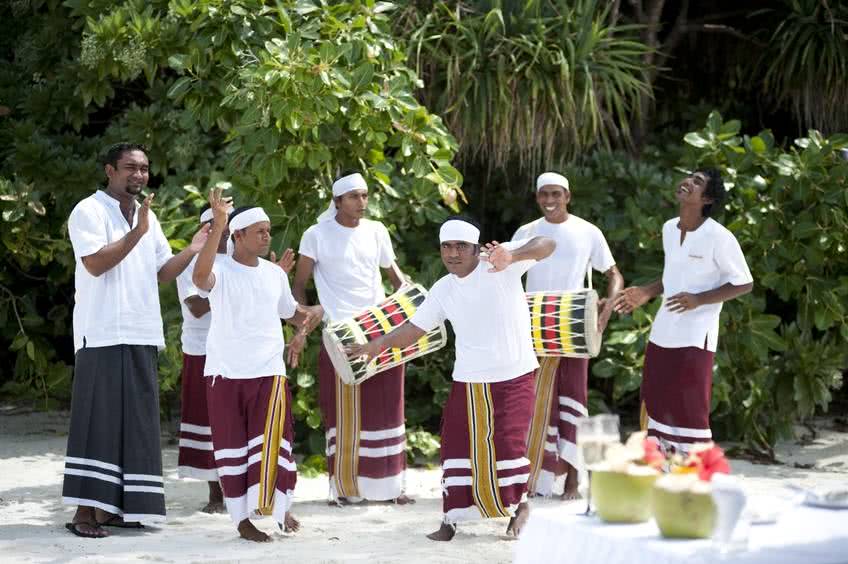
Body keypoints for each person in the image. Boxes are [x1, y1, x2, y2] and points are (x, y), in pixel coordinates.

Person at [347, 216, 556, 541]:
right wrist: (376, 345)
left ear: (476, 249)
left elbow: (547, 244)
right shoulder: (443, 288)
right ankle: (451, 518)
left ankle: (520, 506)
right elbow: (415, 329)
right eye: (447, 246)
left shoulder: (499, 262)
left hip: (514, 373)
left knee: (508, 444)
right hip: (468, 379)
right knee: (456, 445)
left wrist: (511, 256)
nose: (453, 253)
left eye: (460, 246)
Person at [63, 143, 209, 538]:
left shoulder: (148, 217)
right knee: (100, 422)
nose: (139, 175)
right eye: (130, 168)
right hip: (102, 332)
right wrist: (138, 232)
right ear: (109, 170)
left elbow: (163, 272)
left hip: (142, 330)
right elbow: (94, 264)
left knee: (136, 425)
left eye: (144, 169)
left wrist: (194, 248)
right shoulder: (88, 211)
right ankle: (84, 513)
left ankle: (119, 509)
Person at [192, 191, 322, 542]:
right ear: (238, 236)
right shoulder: (219, 269)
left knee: (274, 443)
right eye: (259, 231)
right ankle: (242, 519)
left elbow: (292, 314)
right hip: (226, 373)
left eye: (268, 230)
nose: (267, 236)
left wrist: (306, 326)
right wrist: (218, 223)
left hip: (269, 373)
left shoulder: (273, 274)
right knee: (233, 448)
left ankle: (280, 509)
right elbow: (199, 280)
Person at [613, 169, 753, 455]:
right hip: (663, 332)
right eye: (689, 177)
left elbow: (744, 283)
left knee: (690, 408)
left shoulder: (719, 236)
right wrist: (646, 293)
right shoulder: (667, 228)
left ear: (707, 198)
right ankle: (664, 474)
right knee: (655, 400)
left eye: (697, 181)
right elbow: (672, 277)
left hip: (695, 336)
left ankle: (696, 478)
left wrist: (699, 300)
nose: (688, 182)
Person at [292, 172, 411, 505]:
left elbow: (396, 278)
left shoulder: (377, 231)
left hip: (380, 328)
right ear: (337, 201)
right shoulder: (316, 235)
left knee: (389, 407)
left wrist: (414, 304)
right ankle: (344, 489)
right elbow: (299, 283)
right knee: (344, 410)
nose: (362, 202)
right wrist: (301, 322)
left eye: (365, 195)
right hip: (339, 333)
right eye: (355, 196)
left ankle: (390, 488)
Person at [512, 172, 623, 499]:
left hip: (573, 327)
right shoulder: (526, 232)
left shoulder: (587, 231)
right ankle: (534, 478)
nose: (550, 200)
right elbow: (506, 274)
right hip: (532, 328)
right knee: (533, 403)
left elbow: (613, 274)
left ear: (568, 196)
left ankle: (574, 480)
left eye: (556, 194)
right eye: (544, 194)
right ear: (536, 197)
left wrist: (606, 307)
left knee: (574, 403)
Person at [175, 204, 232, 513]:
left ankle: (237, 487)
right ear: (206, 228)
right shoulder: (191, 262)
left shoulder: (241, 257)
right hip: (201, 349)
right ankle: (215, 493)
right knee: (207, 419)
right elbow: (196, 307)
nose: (224, 229)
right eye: (218, 222)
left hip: (235, 348)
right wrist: (226, 288)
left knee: (233, 418)